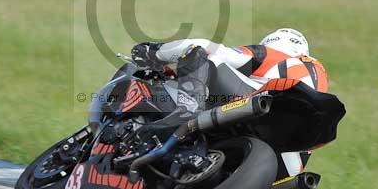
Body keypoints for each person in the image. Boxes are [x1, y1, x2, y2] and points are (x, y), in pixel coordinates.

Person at [131, 28, 328, 117]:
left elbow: (208, 47)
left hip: (265, 100)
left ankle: (187, 109)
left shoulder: (273, 54)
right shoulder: (319, 73)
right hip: (302, 135)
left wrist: (154, 51)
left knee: (202, 53)